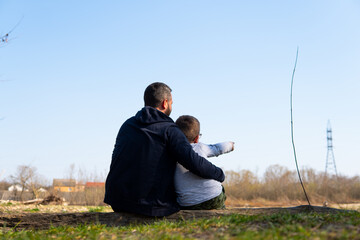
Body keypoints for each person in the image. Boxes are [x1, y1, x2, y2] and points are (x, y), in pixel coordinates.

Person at [104, 82, 225, 217]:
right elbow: (193, 162)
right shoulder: (169, 129)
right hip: (151, 206)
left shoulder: (127, 125)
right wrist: (219, 174)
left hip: (118, 201)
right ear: (165, 103)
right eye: (172, 103)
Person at [174, 115, 234, 210]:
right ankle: (221, 212)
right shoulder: (200, 147)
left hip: (187, 203)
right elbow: (217, 148)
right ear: (197, 138)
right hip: (212, 197)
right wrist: (230, 145)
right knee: (219, 191)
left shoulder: (172, 152)